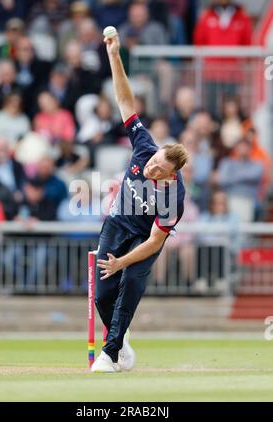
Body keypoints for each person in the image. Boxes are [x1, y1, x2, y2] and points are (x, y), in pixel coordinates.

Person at [91, 31, 187, 373]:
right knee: (103, 296)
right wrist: (115, 55)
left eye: (158, 168)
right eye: (153, 160)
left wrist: (123, 263)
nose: (150, 166)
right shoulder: (146, 146)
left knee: (130, 284)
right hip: (118, 224)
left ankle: (111, 354)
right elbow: (125, 103)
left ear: (170, 175)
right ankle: (121, 336)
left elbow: (154, 242)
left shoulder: (174, 197)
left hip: (145, 239)